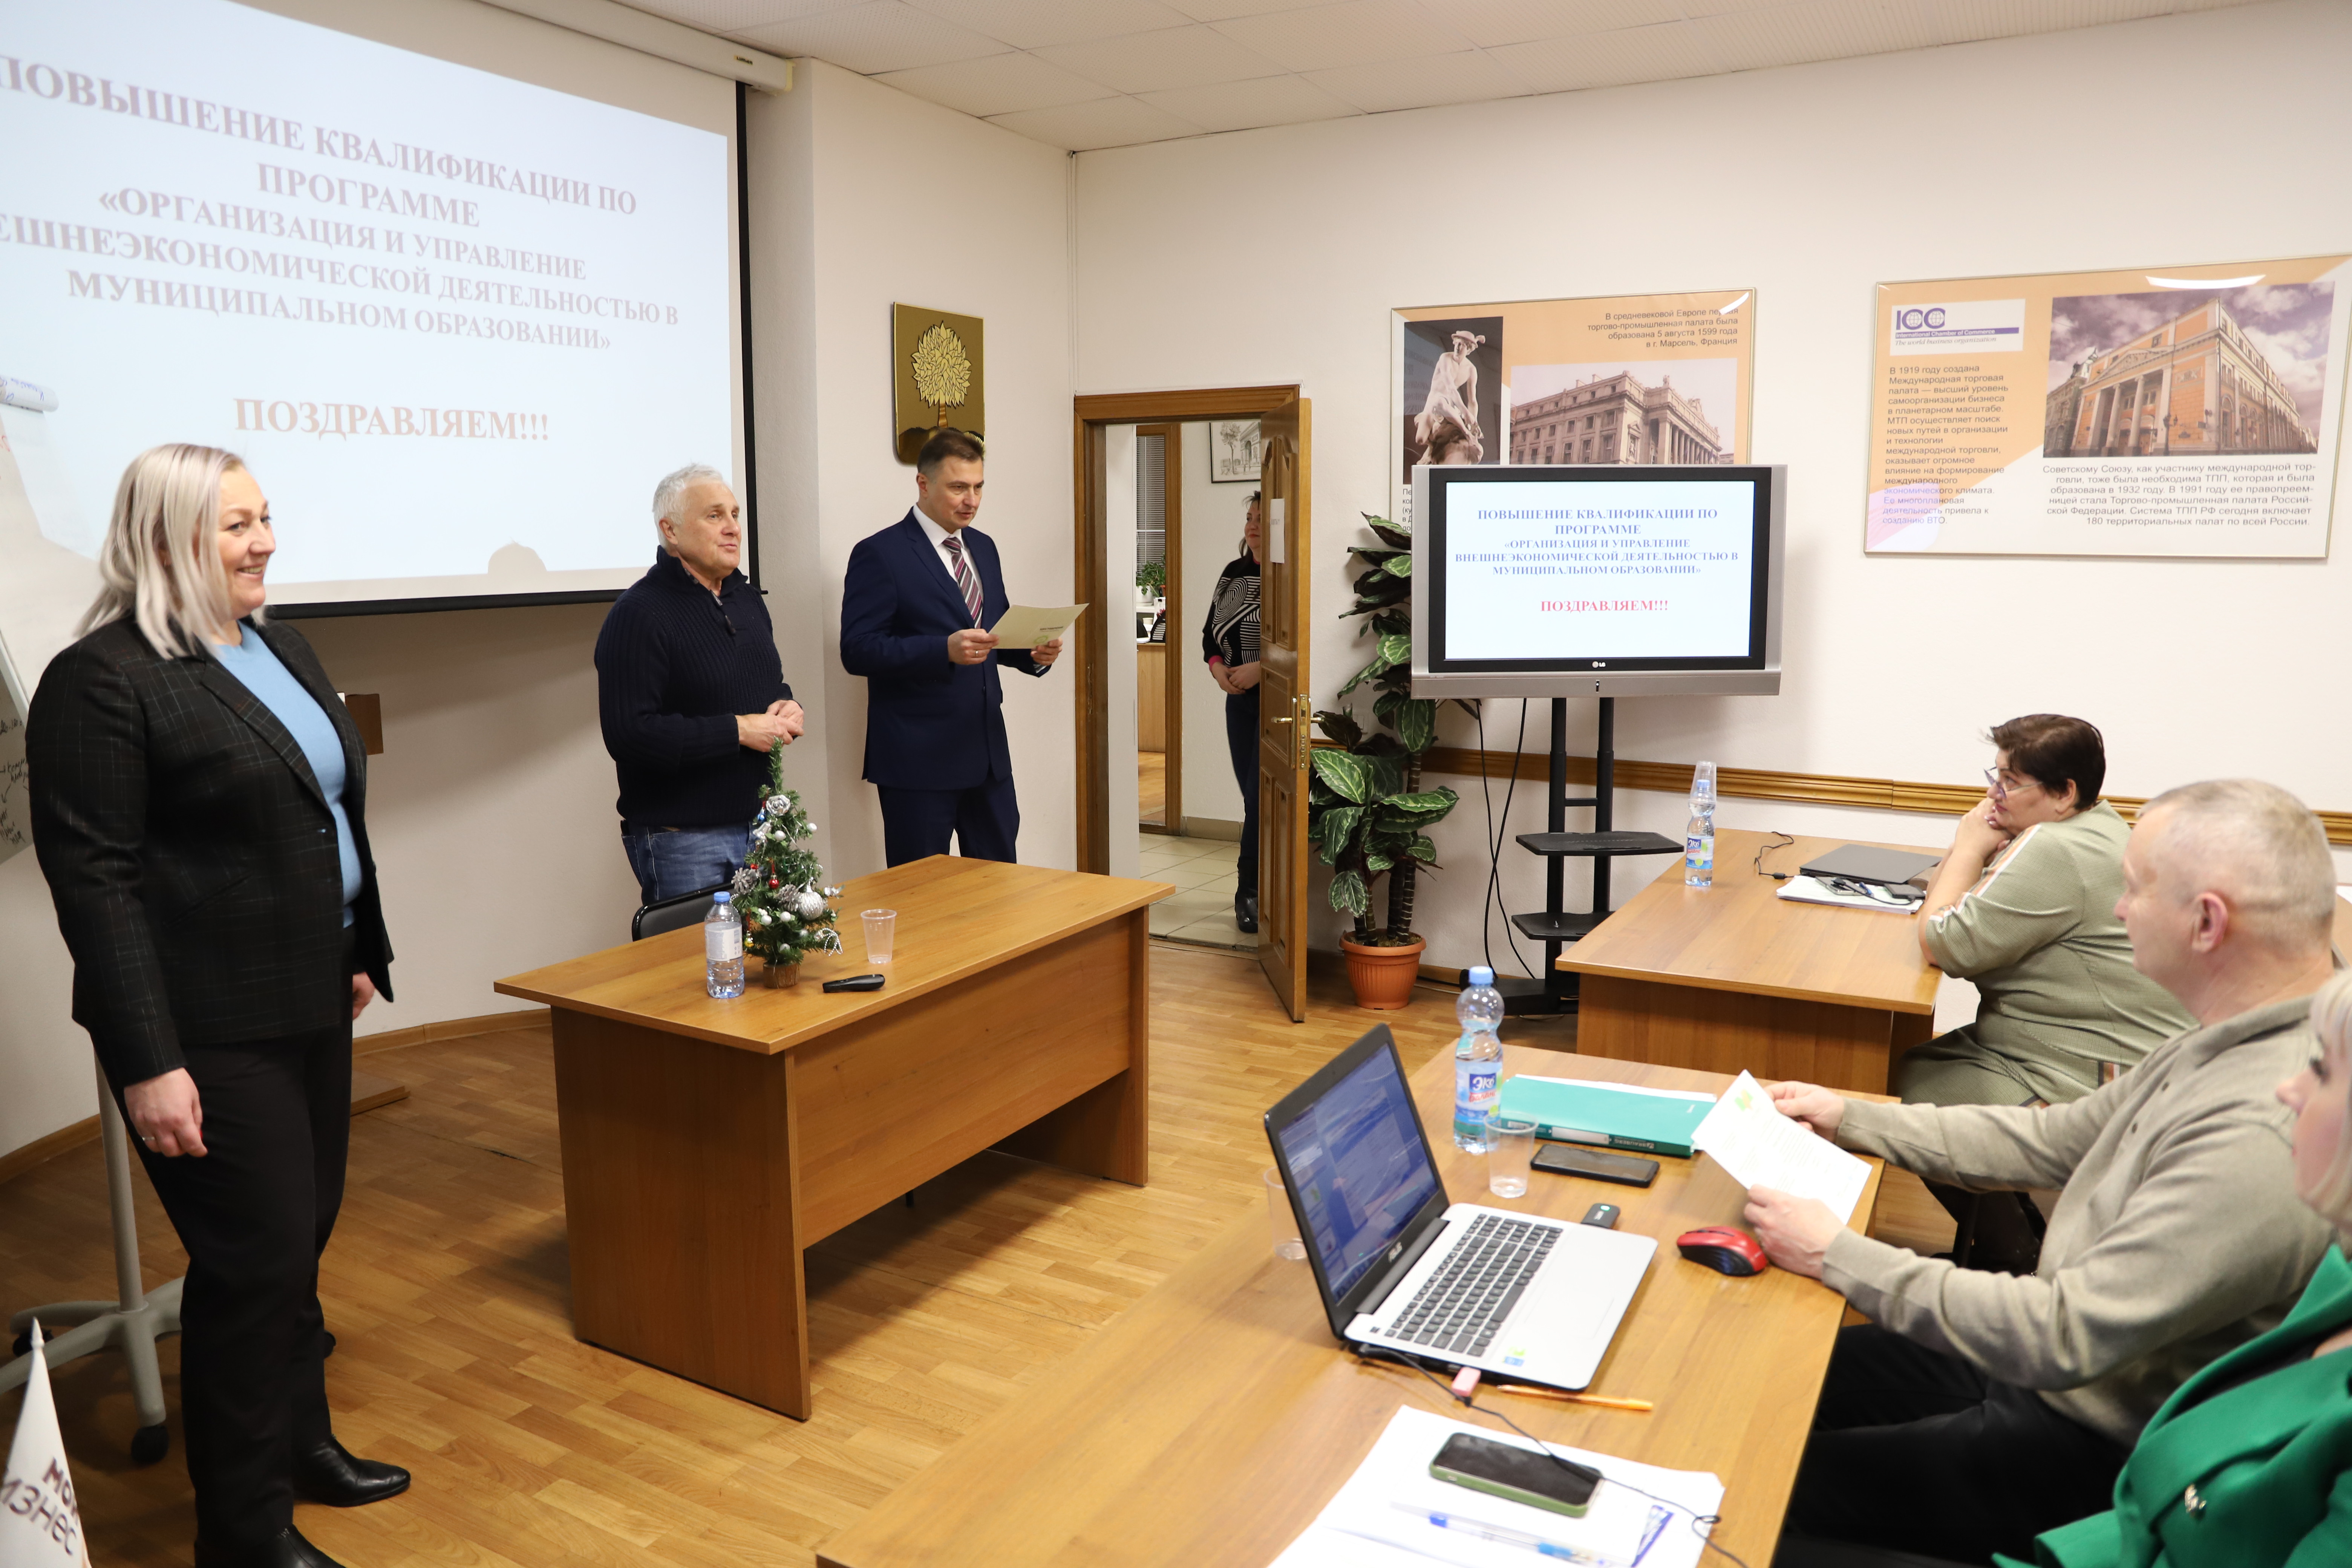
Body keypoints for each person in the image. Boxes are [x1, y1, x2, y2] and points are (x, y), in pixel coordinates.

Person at [1743, 779, 2341, 1565]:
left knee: (1756, 1477)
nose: (2118, 910)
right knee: (1768, 1380)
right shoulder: (2240, 1030)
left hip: (2085, 1442)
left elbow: (2063, 1335)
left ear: (2207, 922)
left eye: (2134, 889)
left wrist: (1836, 1253)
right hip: (2050, 1374)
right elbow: (2059, 1137)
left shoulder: (2266, 1122)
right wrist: (1851, 1116)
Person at [27, 445, 404, 1568]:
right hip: (205, 1028)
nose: (265, 542)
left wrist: (356, 946)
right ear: (163, 539)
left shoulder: (279, 644)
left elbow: (324, 809)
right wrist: (149, 1061)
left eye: (265, 517)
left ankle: (303, 1446)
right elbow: (97, 885)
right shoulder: (102, 679)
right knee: (255, 1263)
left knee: (301, 1241)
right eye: (236, 525)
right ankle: (241, 1533)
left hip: (309, 994)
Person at [1903, 715, 2194, 1268]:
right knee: (1930, 1061)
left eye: (2011, 782)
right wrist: (1970, 848)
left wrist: (1967, 846)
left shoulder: (2055, 849)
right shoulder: (2099, 825)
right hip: (2122, 1053)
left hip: (2104, 1074)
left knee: (1925, 1088)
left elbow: (1942, 940)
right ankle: (2018, 1236)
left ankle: (2014, 1257)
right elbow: (1946, 910)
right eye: (1996, 775)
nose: (1995, 793)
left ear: (2064, 793)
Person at [840, 429, 1061, 866]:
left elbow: (992, 632)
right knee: (921, 893)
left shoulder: (984, 547)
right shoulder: (880, 553)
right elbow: (858, 649)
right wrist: (942, 649)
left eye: (979, 487)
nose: (971, 500)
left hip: (988, 759)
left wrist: (1032, 654)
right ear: (923, 484)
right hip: (917, 761)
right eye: (959, 487)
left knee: (999, 885)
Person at [594, 462, 803, 905]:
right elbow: (629, 734)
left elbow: (765, 683)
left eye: (735, 514)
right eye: (714, 516)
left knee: (771, 952)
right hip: (685, 838)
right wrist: (738, 730)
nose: (733, 528)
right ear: (670, 530)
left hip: (762, 824)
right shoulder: (638, 614)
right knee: (696, 953)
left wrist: (786, 704)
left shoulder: (747, 600)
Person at [1202, 492, 1263, 933]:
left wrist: (1263, 668)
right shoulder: (1233, 572)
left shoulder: (1286, 573)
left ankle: (1249, 891)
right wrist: (1217, 669)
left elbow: (1296, 642)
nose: (1253, 525)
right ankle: (1260, 886)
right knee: (1251, 797)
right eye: (1249, 517)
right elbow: (1210, 634)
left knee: (1261, 798)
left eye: (1262, 518)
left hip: (1276, 702)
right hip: (1237, 702)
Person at [1412, 330, 1486, 466]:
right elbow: (1451, 389)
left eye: (1462, 345)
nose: (1458, 347)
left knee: (1443, 405)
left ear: (1469, 349)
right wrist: (1465, 413)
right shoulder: (1445, 358)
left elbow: (1473, 402)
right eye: (1457, 343)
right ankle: (1431, 445)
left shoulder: (1471, 369)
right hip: (1434, 403)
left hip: (1449, 407)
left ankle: (1465, 432)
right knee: (1420, 439)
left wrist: (1473, 424)